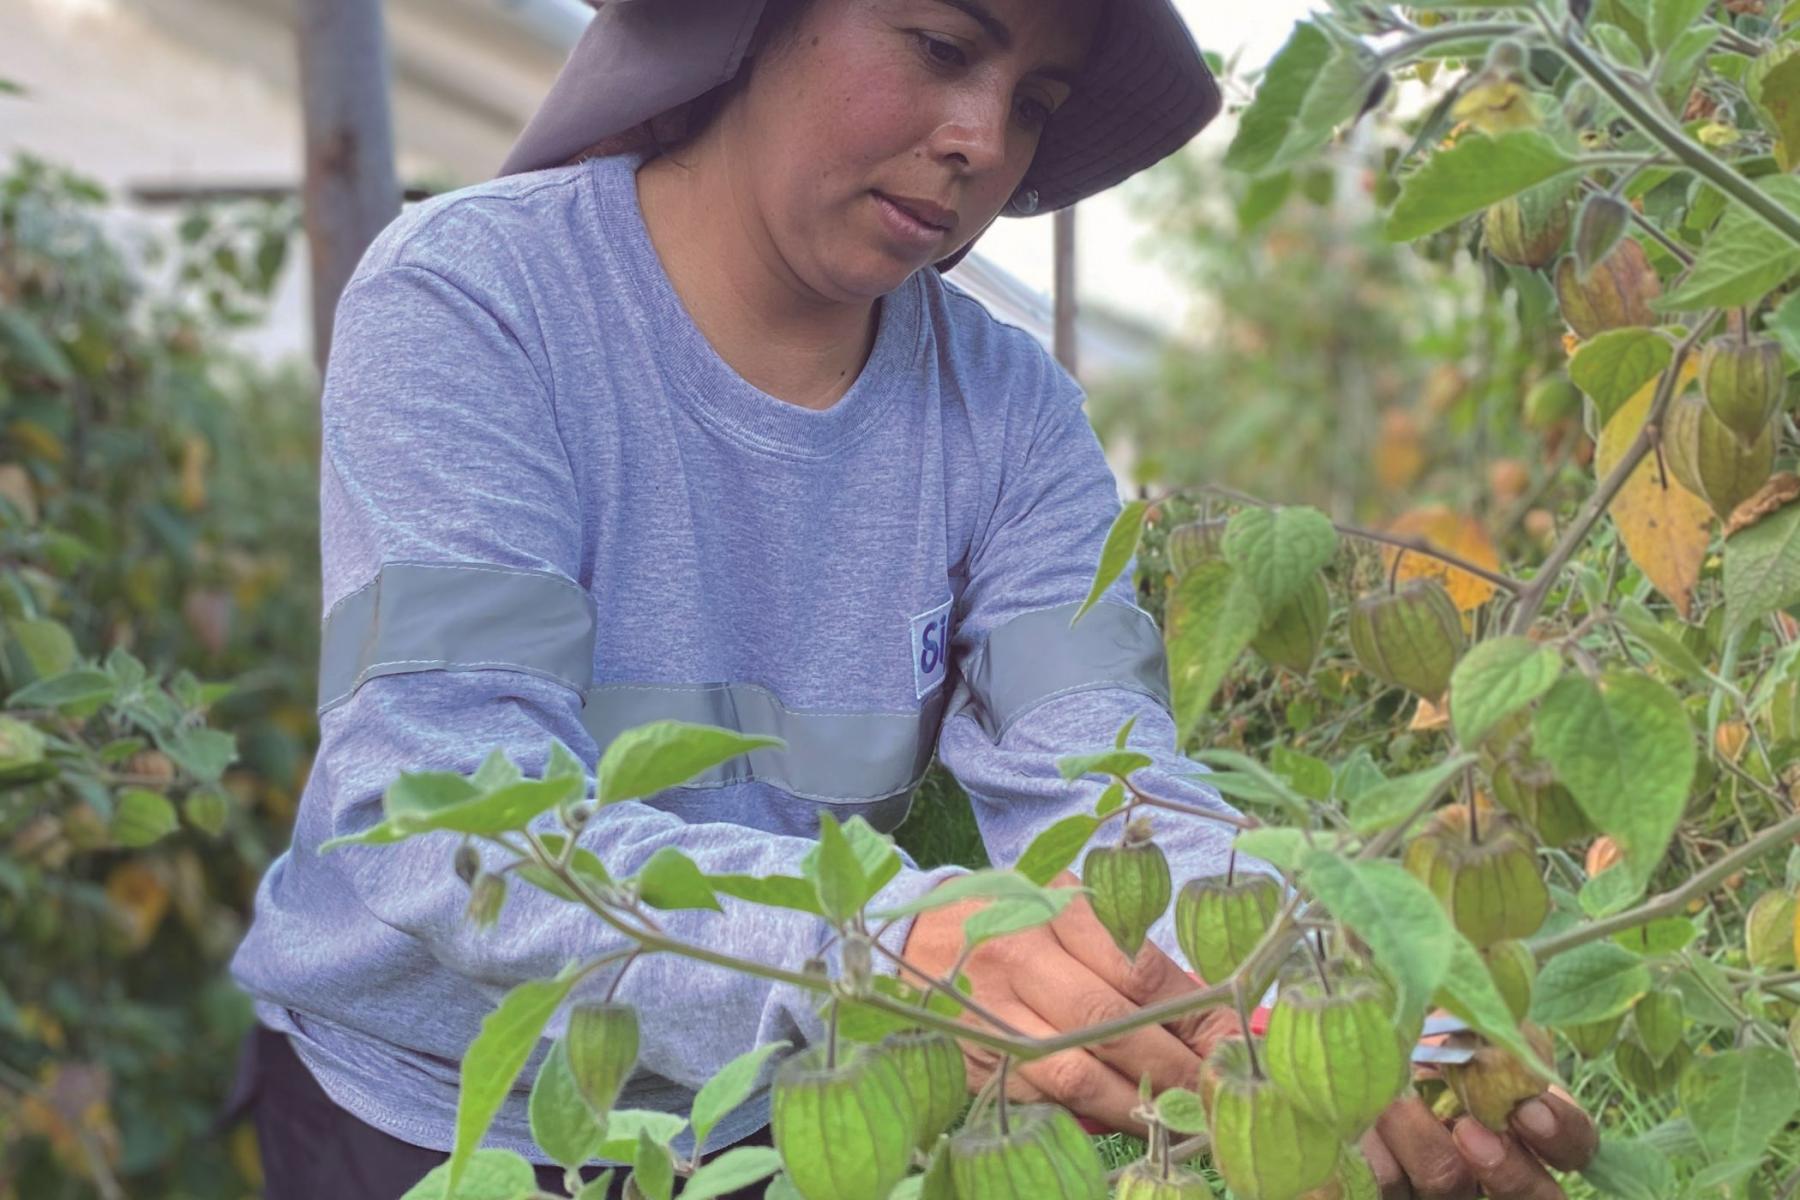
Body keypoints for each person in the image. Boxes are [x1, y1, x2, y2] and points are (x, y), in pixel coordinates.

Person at [223, 1, 1600, 1196]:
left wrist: (1318, 988)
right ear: (754, 19)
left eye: (1032, 105)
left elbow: (1107, 785)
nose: (981, 140)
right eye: (943, 47)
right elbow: (447, 816)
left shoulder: (1009, 413)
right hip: (427, 1113)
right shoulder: (480, 302)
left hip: (791, 1111)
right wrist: (877, 945)